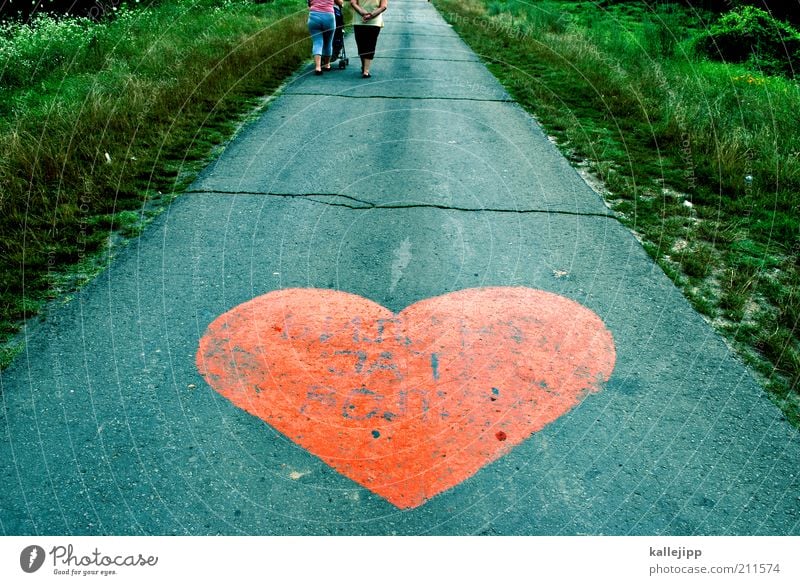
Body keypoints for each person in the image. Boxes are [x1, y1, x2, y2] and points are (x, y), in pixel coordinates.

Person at [350, 0, 388, 78]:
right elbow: (383, 6)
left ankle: (364, 67)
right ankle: (366, 71)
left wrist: (363, 13)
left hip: (359, 21)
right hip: (374, 22)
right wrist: (371, 15)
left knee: (361, 45)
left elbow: (353, 3)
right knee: (371, 44)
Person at [307, 0, 337, 75]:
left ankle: (318, 67)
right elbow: (340, 2)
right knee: (328, 42)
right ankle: (327, 65)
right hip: (329, 16)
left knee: (317, 42)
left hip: (314, 16)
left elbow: (309, 3)